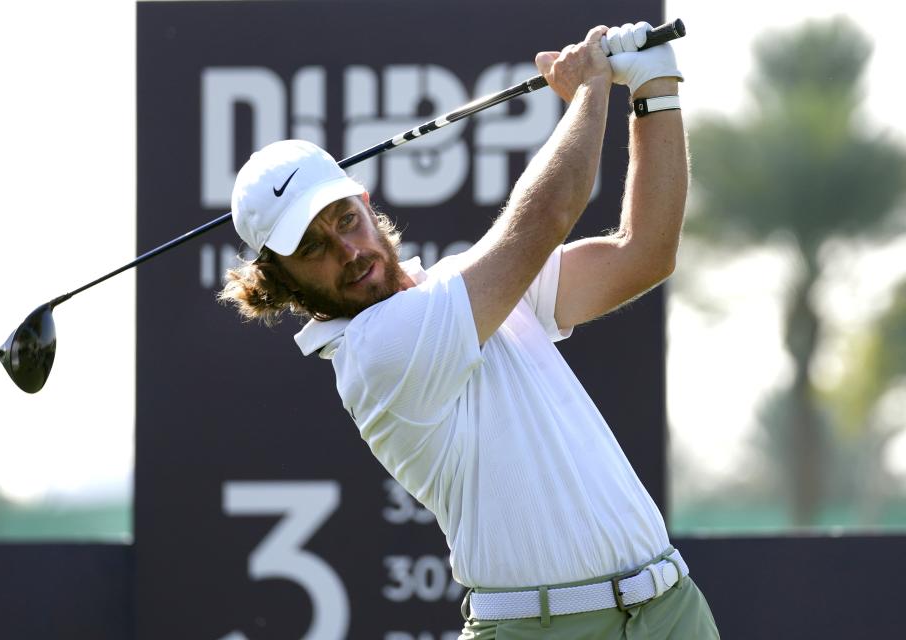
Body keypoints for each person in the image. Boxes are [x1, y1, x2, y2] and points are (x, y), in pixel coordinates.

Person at [220, 21, 719, 640]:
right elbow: (547, 216)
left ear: (367, 203)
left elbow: (644, 253)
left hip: (671, 609)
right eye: (314, 247)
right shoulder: (376, 352)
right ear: (280, 279)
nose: (349, 250)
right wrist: (592, 88)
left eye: (347, 219)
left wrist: (654, 88)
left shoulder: (469, 289)